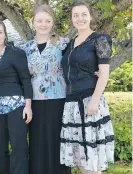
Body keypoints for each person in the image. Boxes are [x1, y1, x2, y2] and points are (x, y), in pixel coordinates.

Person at [60, 1, 115, 173]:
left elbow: (104, 73)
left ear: (90, 16)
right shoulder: (69, 44)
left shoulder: (100, 40)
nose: (80, 18)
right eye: (75, 15)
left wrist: (95, 100)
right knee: (80, 159)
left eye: (84, 14)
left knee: (92, 159)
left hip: (90, 101)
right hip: (71, 104)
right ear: (71, 19)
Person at [21, 4, 71, 174]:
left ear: (52, 22)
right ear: (33, 22)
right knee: (37, 141)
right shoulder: (25, 48)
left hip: (58, 99)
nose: (43, 24)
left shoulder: (64, 44)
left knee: (57, 140)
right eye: (39, 20)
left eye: (47, 20)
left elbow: (75, 65)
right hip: (33, 100)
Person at [0, 20, 33, 174]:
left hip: (17, 107)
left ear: (5, 34)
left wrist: (28, 106)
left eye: (0, 32)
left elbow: (26, 80)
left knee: (18, 147)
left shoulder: (16, 53)